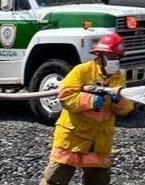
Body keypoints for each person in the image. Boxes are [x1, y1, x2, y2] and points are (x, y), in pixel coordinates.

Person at [39, 32, 134, 185]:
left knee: (98, 181)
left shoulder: (118, 77)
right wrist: (90, 100)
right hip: (73, 137)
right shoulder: (81, 71)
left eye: (117, 58)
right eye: (111, 57)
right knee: (55, 179)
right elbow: (65, 97)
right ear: (100, 55)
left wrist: (119, 101)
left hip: (99, 141)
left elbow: (127, 108)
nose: (114, 62)